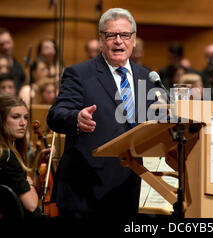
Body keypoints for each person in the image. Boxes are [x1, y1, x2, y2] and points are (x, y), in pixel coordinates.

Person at [46, 8, 156, 218]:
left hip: (131, 191)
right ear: (101, 40)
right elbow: (55, 114)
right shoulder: (79, 73)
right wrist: (76, 119)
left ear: (133, 40)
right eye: (110, 35)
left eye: (124, 35)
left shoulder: (147, 78)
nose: (118, 41)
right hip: (86, 193)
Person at [0, 95, 41, 218]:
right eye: (15, 117)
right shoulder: (5, 156)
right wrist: (28, 180)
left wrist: (39, 165)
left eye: (26, 117)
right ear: (1, 120)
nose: (23, 123)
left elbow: (32, 193)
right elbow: (32, 205)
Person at [0, 28, 26, 93]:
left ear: (12, 41)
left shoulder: (18, 66)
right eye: (2, 44)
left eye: (8, 42)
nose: (6, 47)